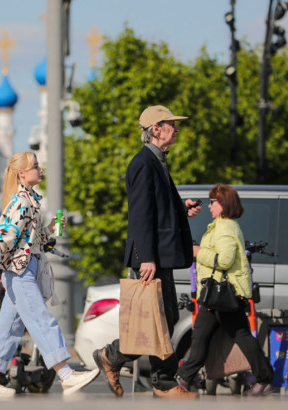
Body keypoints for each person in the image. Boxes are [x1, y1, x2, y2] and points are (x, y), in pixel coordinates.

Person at [92, 105, 200, 399]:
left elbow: (157, 207)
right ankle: (156, 378)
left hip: (160, 255)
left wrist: (181, 208)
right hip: (152, 257)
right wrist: (145, 258)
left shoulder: (157, 161)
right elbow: (140, 215)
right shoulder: (143, 164)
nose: (176, 129)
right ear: (156, 129)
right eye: (171, 125)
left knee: (164, 317)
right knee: (158, 318)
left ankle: (121, 361)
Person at [0, 152, 99, 398]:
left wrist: (49, 230)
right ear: (22, 173)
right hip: (20, 271)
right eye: (35, 166)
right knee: (41, 320)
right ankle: (66, 375)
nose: (40, 170)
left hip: (24, 267)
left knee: (8, 327)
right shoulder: (20, 200)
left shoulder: (29, 199)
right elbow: (6, 234)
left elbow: (28, 238)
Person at [174, 184, 274, 395]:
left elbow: (225, 260)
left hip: (221, 293)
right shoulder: (222, 225)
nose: (209, 206)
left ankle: (183, 379)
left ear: (224, 204)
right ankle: (184, 379)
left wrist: (197, 252)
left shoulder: (226, 227)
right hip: (220, 293)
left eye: (213, 202)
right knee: (219, 335)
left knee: (213, 336)